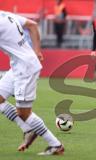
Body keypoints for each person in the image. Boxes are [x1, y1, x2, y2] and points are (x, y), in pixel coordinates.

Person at [0, 11, 64, 155]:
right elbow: (32, 25)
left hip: (25, 68)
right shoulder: (5, 15)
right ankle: (28, 129)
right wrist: (37, 51)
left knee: (24, 112)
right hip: (18, 66)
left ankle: (56, 145)